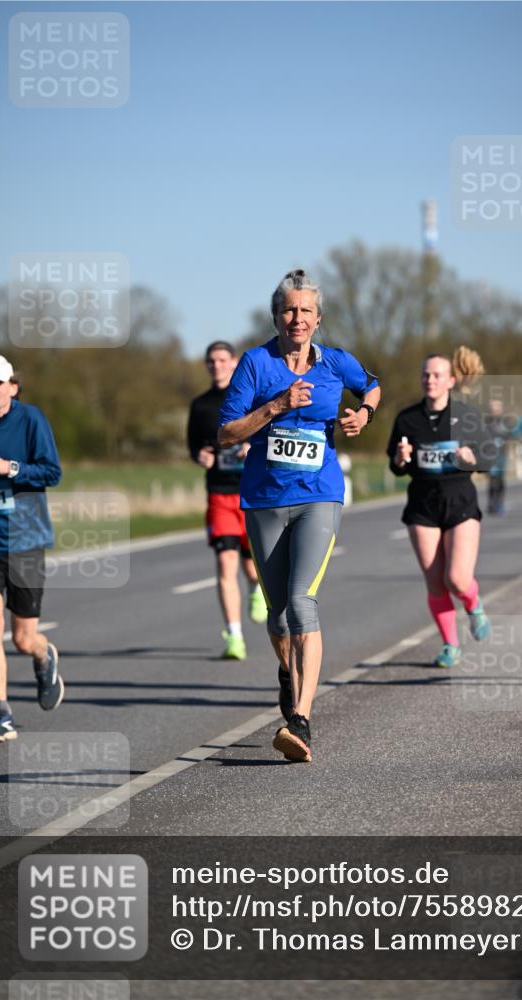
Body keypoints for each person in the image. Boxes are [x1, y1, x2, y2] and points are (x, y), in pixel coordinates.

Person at [218, 269, 380, 762]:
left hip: (319, 496)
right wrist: (277, 405)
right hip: (265, 500)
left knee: (301, 599)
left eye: (306, 311)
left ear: (318, 318)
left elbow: (372, 386)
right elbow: (227, 433)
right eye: (289, 310)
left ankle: (301, 720)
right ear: (276, 316)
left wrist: (364, 414)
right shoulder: (255, 364)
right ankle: (287, 672)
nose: (298, 318)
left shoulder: (336, 363)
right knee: (276, 613)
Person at [386, 348, 495, 668]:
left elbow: (488, 459)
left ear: (450, 380)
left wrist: (470, 459)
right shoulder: (408, 418)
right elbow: (396, 467)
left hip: (460, 502)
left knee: (457, 579)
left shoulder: (468, 416)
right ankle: (450, 644)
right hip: (422, 506)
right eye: (425, 374)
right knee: (435, 582)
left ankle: (473, 604)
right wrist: (401, 458)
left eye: (436, 375)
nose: (429, 380)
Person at [0, 354, 63, 742]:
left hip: (26, 540)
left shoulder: (31, 420)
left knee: (24, 637)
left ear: (13, 386)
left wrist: (8, 468)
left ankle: (44, 656)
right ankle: (1, 712)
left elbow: (52, 472)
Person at [187, 340, 267, 661]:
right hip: (219, 493)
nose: (216, 365)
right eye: (211, 361)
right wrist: (201, 456)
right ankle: (234, 636)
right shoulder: (201, 405)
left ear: (234, 363)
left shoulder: (250, 396)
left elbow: (269, 430)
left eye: (222, 360)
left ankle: (256, 588)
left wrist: (253, 447)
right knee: (225, 563)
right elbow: (193, 446)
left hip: (251, 492)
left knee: (251, 567)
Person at [485, 398, 509, 514]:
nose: (495, 408)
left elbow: (512, 435)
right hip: (490, 457)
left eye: (497, 406)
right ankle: (491, 503)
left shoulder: (506, 422)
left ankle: (499, 503)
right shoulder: (486, 422)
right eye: (493, 406)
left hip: (502, 456)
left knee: (500, 480)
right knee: (492, 480)